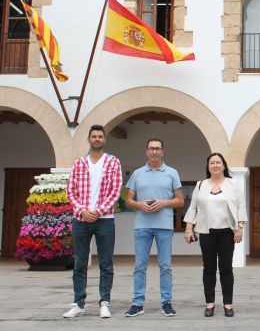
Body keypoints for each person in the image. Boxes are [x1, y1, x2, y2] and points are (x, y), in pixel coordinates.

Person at [64, 124, 122, 318]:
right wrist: (82, 211)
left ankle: (104, 302)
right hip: (80, 220)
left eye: (100, 136)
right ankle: (78, 303)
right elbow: (70, 191)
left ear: (104, 140)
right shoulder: (79, 163)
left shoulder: (113, 162)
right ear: (88, 139)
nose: (97, 139)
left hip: (105, 220)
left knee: (106, 263)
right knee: (80, 262)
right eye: (94, 136)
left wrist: (97, 211)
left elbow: (116, 190)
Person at [124, 138, 184, 317]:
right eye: (151, 149)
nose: (154, 152)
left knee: (165, 265)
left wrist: (164, 203)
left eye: (158, 149)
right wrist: (140, 205)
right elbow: (128, 200)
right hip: (142, 226)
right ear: (146, 152)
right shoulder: (137, 173)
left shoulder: (172, 173)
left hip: (164, 226)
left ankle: (166, 302)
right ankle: (137, 303)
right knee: (139, 266)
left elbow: (180, 200)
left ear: (163, 151)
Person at [183, 152, 247, 318]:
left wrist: (239, 227)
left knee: (226, 268)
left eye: (218, 162)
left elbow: (241, 206)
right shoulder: (200, 185)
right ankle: (210, 303)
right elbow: (193, 208)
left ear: (224, 165)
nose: (215, 165)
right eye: (212, 162)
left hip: (227, 232)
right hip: (206, 232)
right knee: (208, 268)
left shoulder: (232, 184)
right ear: (208, 166)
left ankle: (228, 304)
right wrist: (189, 229)